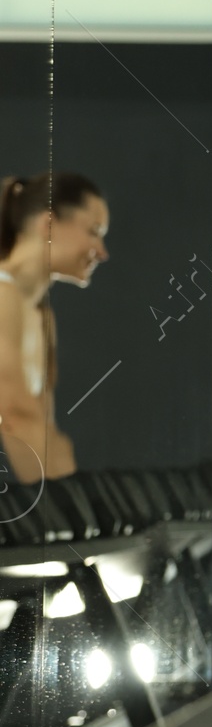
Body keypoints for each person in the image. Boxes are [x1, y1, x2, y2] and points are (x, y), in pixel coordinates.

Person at [0, 171, 111, 498]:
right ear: (48, 225)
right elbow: (16, 418)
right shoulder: (2, 297)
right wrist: (72, 518)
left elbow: (44, 430)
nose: (102, 251)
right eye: (95, 232)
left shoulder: (42, 318)